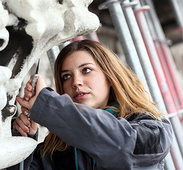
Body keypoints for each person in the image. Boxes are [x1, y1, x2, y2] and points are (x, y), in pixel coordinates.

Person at [9, 39, 173, 170]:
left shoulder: (154, 129)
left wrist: (47, 104)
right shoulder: (57, 149)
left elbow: (121, 146)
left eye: (86, 70)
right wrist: (23, 138)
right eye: (66, 76)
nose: (76, 82)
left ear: (109, 76)